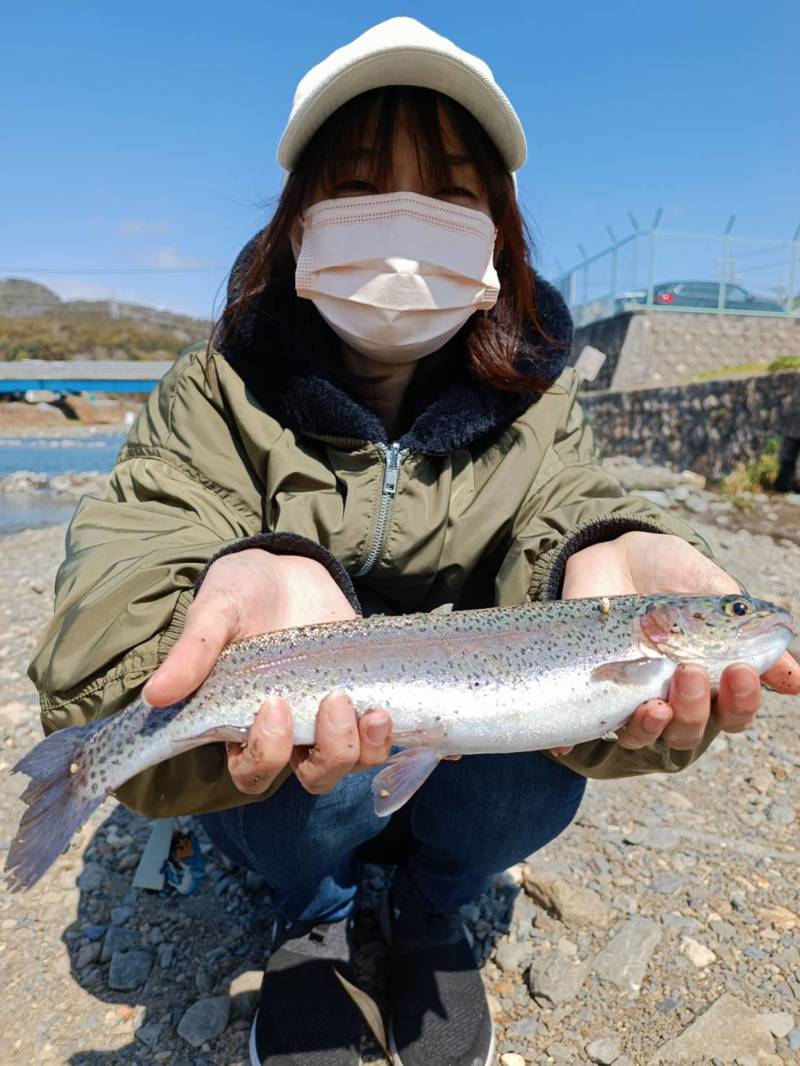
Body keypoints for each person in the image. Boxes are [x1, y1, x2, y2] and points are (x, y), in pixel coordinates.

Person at [28, 17, 799, 1066]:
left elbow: (575, 502)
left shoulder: (540, 406)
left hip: (456, 752)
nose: (401, 224)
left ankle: (434, 905)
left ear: (498, 240)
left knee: (543, 751)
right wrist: (238, 581)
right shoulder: (212, 391)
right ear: (297, 225)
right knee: (287, 762)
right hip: (295, 768)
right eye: (355, 184)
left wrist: (605, 545)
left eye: (450, 193)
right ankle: (316, 911)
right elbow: (111, 612)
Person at [775, 374, 800, 492]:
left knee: (788, 459)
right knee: (789, 460)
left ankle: (783, 486)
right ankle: (787, 486)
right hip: (793, 429)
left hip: (792, 428)